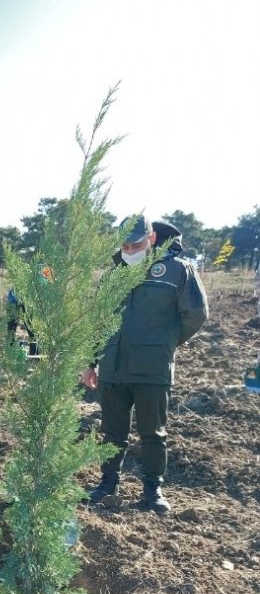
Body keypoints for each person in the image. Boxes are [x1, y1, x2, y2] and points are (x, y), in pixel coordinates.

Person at [82, 215, 208, 514]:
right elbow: (100, 322)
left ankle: (153, 489)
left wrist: (164, 343)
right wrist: (91, 362)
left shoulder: (177, 271)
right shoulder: (114, 275)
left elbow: (197, 314)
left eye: (135, 244)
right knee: (112, 432)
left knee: (152, 432)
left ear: (151, 239)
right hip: (113, 368)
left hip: (152, 369)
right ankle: (107, 483)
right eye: (124, 244)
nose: (129, 249)